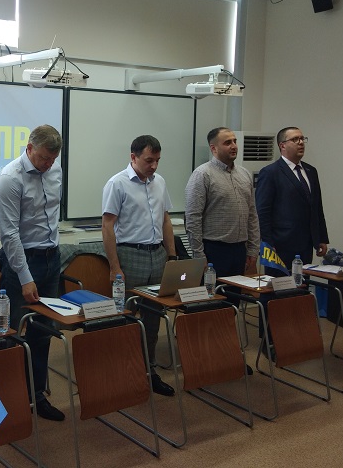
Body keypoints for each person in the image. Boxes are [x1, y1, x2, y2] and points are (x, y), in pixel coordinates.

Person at [0, 125, 65, 421]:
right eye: (43, 158)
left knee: (43, 331)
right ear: (29, 148)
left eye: (52, 159)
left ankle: (36, 395)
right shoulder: (10, 178)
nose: (48, 164)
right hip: (22, 263)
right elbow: (9, 234)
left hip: (51, 259)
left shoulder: (55, 169)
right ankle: (7, 400)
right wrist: (25, 277)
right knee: (12, 332)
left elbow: (52, 216)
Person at [101, 134, 177, 397]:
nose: (153, 166)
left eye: (157, 160)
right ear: (133, 157)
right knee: (125, 316)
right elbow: (107, 225)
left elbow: (165, 220)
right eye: (148, 160)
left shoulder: (160, 182)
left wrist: (172, 256)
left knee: (153, 317)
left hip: (157, 255)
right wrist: (114, 267)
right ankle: (120, 371)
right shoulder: (117, 183)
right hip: (129, 255)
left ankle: (149, 370)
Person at [184, 127, 260, 278]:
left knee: (237, 292)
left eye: (234, 141)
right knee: (215, 292)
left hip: (240, 249)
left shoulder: (244, 174)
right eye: (227, 143)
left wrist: (253, 249)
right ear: (214, 148)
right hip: (214, 250)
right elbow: (192, 218)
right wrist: (198, 255)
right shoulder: (202, 174)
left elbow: (252, 215)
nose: (234, 146)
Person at [256, 126, 329, 273]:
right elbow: (263, 211)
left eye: (302, 139)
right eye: (295, 139)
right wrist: (268, 243)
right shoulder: (270, 172)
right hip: (280, 244)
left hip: (306, 243)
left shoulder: (311, 171)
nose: (301, 142)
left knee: (302, 284)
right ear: (282, 145)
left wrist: (321, 237)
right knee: (279, 285)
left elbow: (316, 206)